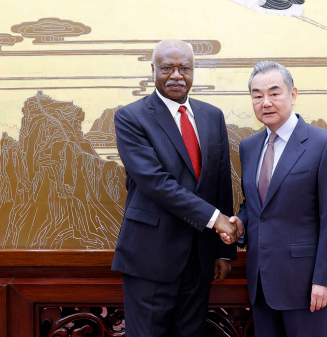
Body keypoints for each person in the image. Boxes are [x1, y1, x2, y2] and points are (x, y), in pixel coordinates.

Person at [112, 39, 241, 336]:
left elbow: (221, 183)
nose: (176, 75)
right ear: (153, 70)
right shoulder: (131, 117)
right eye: (167, 68)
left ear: (193, 71)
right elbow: (156, 182)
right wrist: (215, 218)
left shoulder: (212, 116)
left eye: (184, 68)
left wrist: (224, 251)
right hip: (149, 258)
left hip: (200, 259)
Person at [223, 61, 327, 337]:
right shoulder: (249, 146)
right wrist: (240, 223)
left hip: (305, 285)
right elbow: (255, 204)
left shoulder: (325, 145)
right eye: (257, 96)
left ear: (293, 95)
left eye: (274, 93)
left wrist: (324, 281)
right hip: (260, 281)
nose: (265, 102)